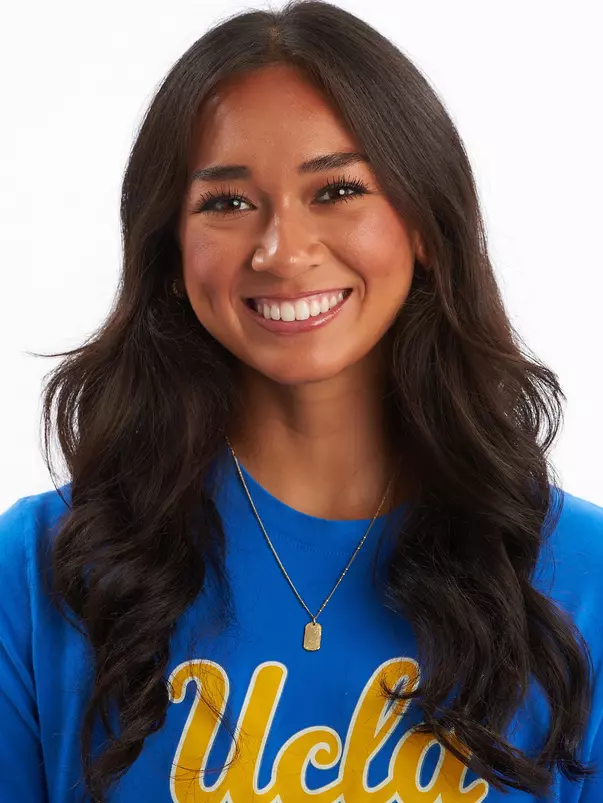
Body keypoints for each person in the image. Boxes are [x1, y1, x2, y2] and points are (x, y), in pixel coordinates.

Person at [1, 1, 602, 801]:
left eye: (337, 190)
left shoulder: (579, 576)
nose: (282, 251)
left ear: (423, 222)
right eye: (226, 202)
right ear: (169, 248)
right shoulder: (44, 568)